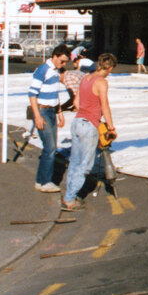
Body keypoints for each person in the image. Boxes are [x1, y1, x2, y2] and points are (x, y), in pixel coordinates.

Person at [62, 53, 118, 212]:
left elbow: (76, 103)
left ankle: (69, 194)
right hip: (89, 126)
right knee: (85, 165)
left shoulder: (85, 78)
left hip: (77, 122)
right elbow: (105, 106)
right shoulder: (102, 82)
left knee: (74, 161)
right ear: (110, 67)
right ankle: (69, 199)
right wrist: (111, 127)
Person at [28, 44, 72, 193]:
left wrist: (59, 112)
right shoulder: (43, 70)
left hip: (52, 111)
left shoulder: (55, 71)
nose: (63, 65)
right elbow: (32, 94)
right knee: (50, 147)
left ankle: (40, 181)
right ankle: (45, 181)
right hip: (43, 111)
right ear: (54, 57)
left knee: (50, 148)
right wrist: (37, 116)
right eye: (62, 61)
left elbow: (55, 93)